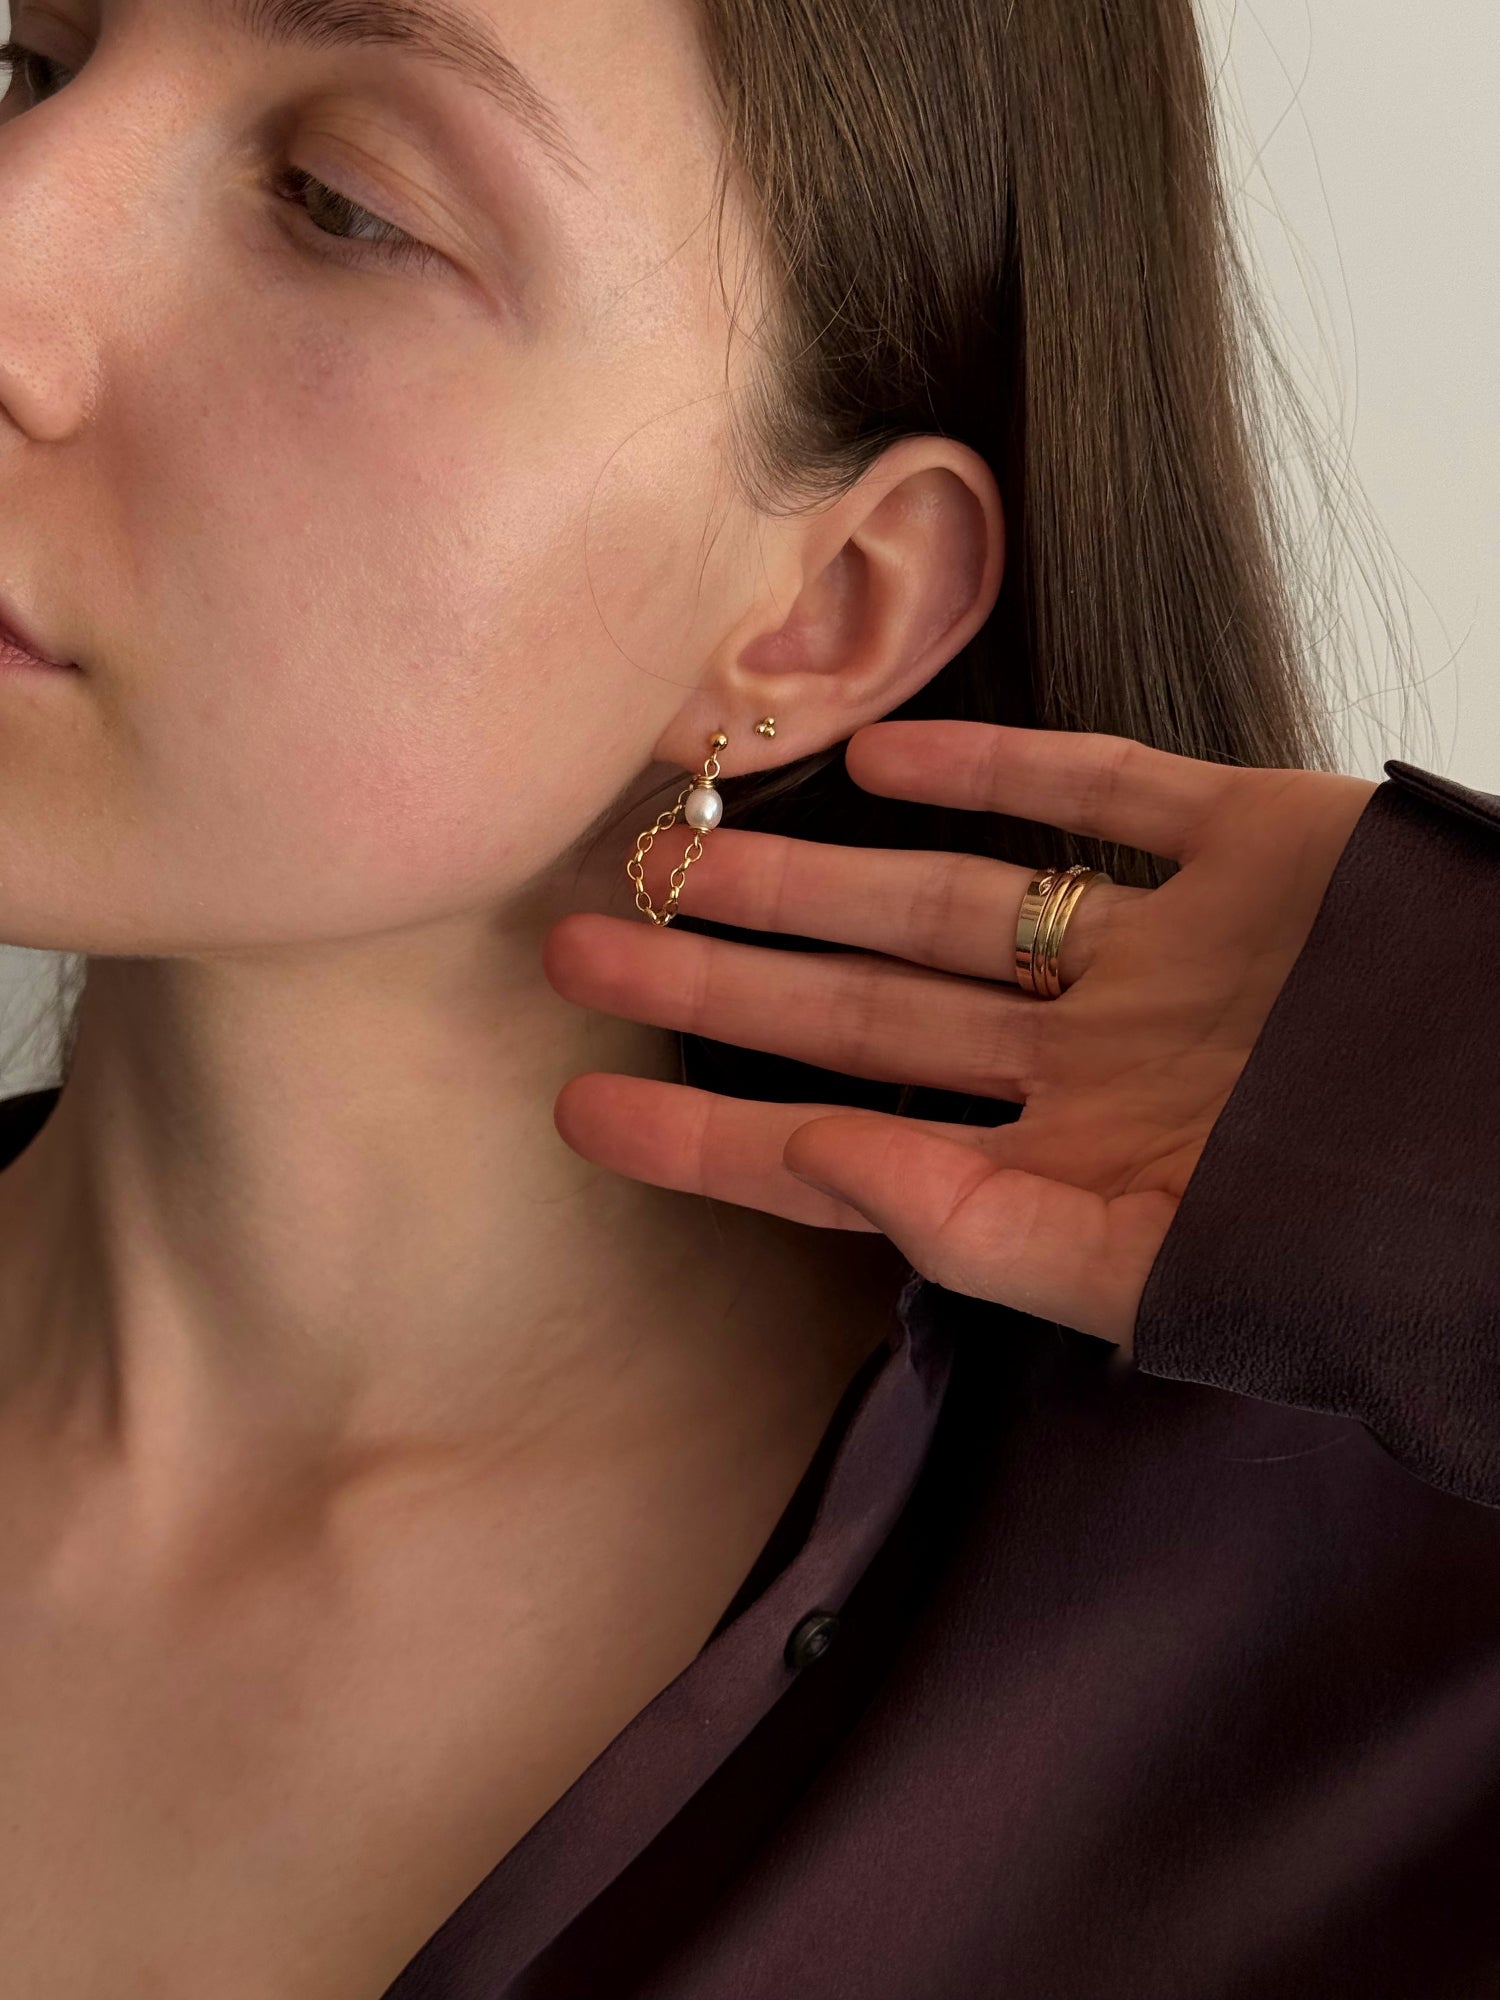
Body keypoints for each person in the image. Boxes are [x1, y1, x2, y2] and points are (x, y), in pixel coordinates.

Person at [0, 2, 1493, 1998]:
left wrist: (1453, 1089)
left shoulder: (1365, 1723)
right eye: (26, 67)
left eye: (341, 203)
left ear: (828, 612)